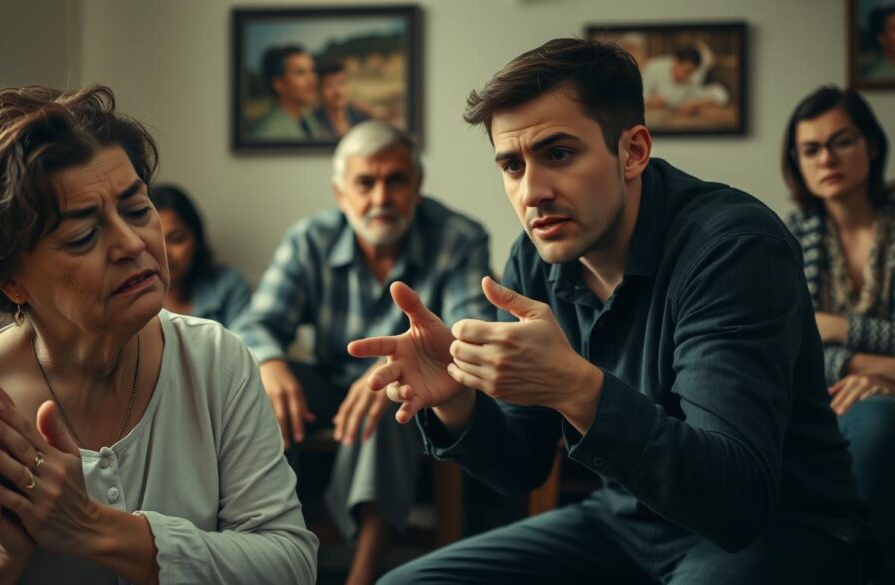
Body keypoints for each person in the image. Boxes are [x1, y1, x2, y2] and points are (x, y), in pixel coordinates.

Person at [348, 38, 877, 583]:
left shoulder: (733, 249)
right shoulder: (535, 258)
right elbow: (522, 464)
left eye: (558, 154)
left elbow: (735, 500)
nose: (532, 193)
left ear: (633, 151)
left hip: (778, 532)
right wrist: (457, 401)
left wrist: (578, 389)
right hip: (626, 526)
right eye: (511, 165)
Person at [0, 85, 317, 584]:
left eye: (136, 208)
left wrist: (90, 527)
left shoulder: (215, 361)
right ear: (10, 279)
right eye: (84, 235)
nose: (131, 243)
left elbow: (289, 565)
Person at [233, 120, 493, 584]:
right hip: (331, 378)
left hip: (416, 391)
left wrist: (395, 367)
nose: (380, 198)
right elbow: (257, 323)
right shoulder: (308, 238)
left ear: (417, 187)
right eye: (365, 183)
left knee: (393, 394)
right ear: (340, 194)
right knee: (259, 384)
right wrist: (270, 364)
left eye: (396, 180)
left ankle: (362, 573)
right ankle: (271, 555)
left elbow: (469, 332)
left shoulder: (458, 237)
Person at [783, 85, 895, 584]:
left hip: (877, 406)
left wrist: (838, 329)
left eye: (842, 141)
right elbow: (788, 347)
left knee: (876, 424)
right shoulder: (783, 238)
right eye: (811, 149)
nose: (826, 157)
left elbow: (816, 337)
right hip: (819, 396)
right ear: (798, 162)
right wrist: (858, 366)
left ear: (871, 145)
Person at [151, 184, 250, 327]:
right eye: (155, 240)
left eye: (177, 239)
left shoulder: (228, 286)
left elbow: (246, 344)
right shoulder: (128, 297)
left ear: (197, 240)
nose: (165, 253)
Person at [249, 45, 328, 141]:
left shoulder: (308, 118)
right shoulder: (267, 133)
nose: (312, 80)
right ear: (278, 83)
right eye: (300, 73)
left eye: (312, 71)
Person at [643, 43, 728, 116]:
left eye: (691, 72)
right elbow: (637, 95)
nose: (687, 76)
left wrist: (696, 104)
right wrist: (650, 100)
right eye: (686, 71)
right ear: (676, 61)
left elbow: (721, 95)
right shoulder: (655, 66)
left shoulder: (692, 78)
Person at [313, 60, 371, 139]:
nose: (338, 92)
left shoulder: (359, 116)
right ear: (318, 90)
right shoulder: (314, 123)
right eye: (329, 86)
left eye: (341, 83)